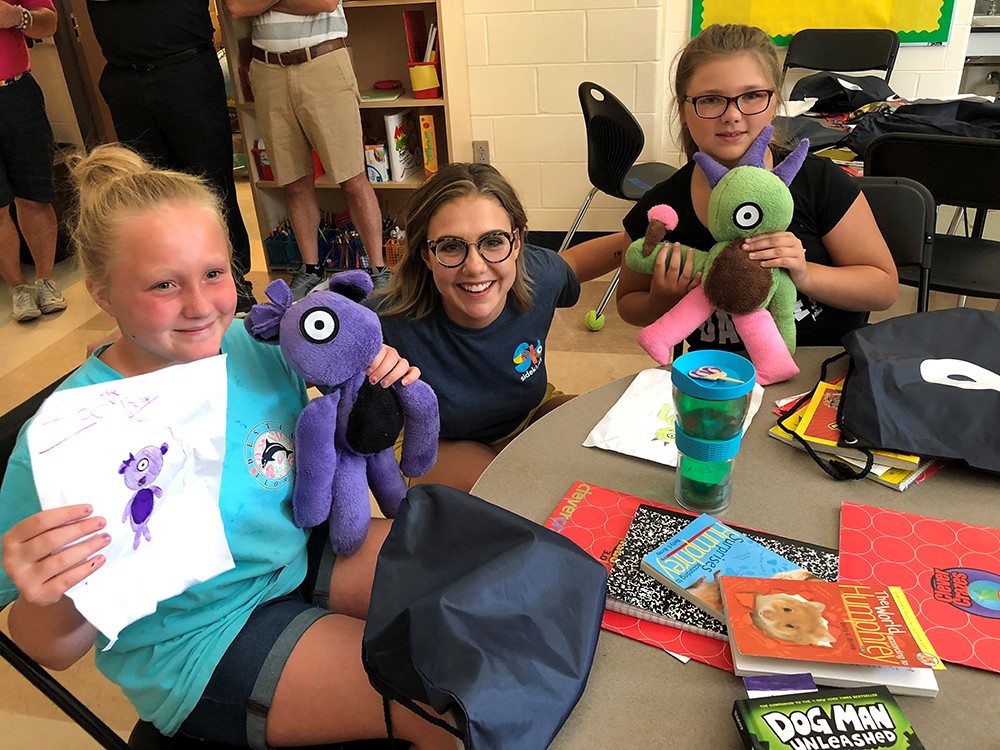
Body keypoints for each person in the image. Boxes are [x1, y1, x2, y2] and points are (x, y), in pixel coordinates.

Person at [0, 145, 456, 750]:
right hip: (200, 635)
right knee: (444, 704)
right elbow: (43, 649)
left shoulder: (255, 344)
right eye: (163, 284)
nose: (199, 306)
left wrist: (374, 391)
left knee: (458, 601)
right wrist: (54, 589)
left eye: (214, 274)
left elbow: (328, 451)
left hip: (292, 552)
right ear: (103, 295)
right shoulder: (67, 440)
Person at [582, 23, 898, 353]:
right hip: (721, 379)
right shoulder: (662, 208)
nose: (732, 115)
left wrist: (805, 274)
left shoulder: (820, 181)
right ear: (684, 109)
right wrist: (660, 300)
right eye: (711, 99)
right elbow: (629, 305)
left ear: (773, 100)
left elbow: (884, 288)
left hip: (823, 371)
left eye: (751, 96)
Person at [373, 162, 608, 493]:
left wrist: (634, 240)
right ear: (426, 254)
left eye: (493, 242)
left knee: (609, 436)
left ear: (517, 242)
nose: (475, 266)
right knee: (510, 495)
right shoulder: (386, 319)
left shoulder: (538, 276)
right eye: (451, 246)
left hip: (527, 413)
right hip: (437, 443)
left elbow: (574, 264)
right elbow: (302, 349)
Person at [85, 0, 257, 316]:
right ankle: (163, 281)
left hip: (186, 69)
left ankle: (230, 276)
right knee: (146, 193)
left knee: (211, 183)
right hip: (125, 78)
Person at [224, 0, 391, 300]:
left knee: (353, 179)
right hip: (267, 69)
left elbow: (323, 3)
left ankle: (378, 269)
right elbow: (237, 7)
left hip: (324, 63)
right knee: (294, 183)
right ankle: (310, 268)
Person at [0, 0, 66, 323]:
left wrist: (16, 16)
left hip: (17, 92)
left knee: (35, 194)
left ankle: (45, 280)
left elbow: (50, 23)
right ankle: (18, 289)